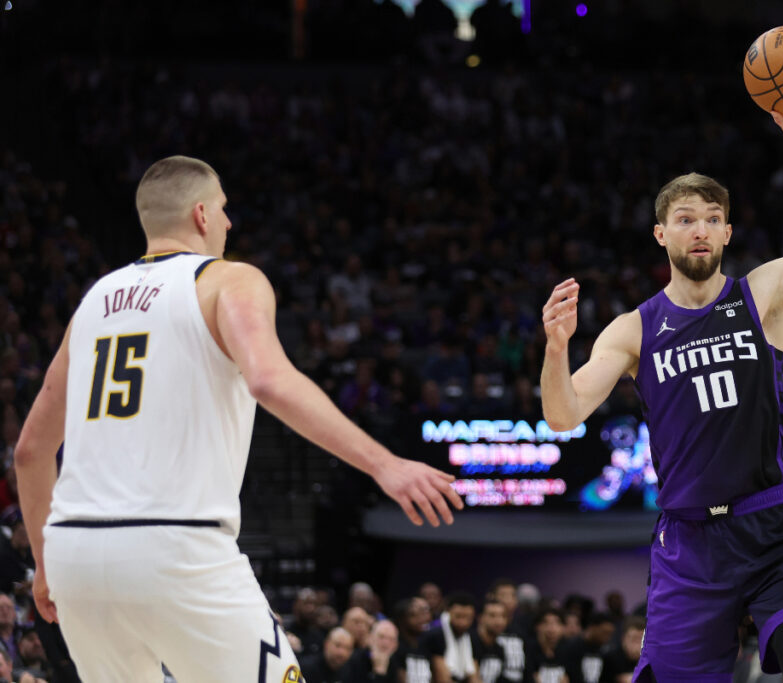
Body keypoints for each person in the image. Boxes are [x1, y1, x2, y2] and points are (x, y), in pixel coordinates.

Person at [13, 155, 462, 681]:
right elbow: (269, 380)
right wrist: (384, 464)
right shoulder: (227, 280)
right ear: (202, 214)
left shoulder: (91, 304)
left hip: (75, 553)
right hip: (176, 544)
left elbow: (29, 451)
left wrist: (45, 563)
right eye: (225, 209)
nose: (230, 222)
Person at [540, 109, 783, 683]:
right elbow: (562, 414)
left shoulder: (765, 295)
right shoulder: (635, 329)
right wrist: (556, 349)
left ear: (727, 232)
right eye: (685, 218)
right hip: (688, 546)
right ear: (662, 234)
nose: (699, 228)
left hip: (773, 529)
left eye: (712, 218)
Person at [421, 592, 478, 683]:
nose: (462, 622)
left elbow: (474, 676)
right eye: (458, 616)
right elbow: (443, 679)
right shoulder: (436, 634)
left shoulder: (471, 637)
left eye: (467, 617)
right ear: (448, 612)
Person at [343, 619, 400, 683]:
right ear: (370, 638)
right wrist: (379, 672)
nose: (385, 643)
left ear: (396, 646)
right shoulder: (356, 659)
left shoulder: (393, 663)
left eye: (391, 639)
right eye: (381, 637)